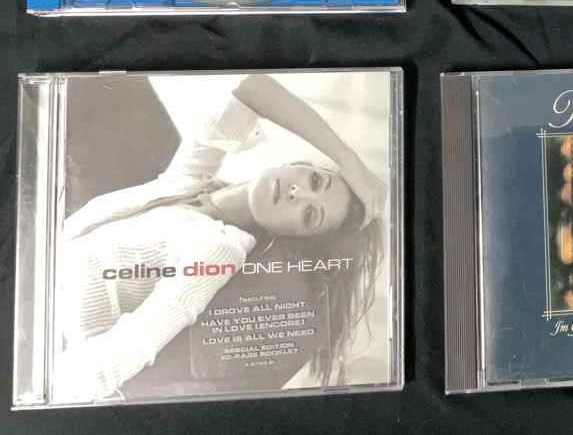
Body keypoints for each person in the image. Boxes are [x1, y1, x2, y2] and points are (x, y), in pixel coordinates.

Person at [57, 74, 387, 401]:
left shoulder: (218, 249)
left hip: (49, 329)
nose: (297, 193)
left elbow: (130, 347)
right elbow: (251, 89)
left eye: (309, 214)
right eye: (315, 180)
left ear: (296, 237)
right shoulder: (192, 181)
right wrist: (350, 163)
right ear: (297, 164)